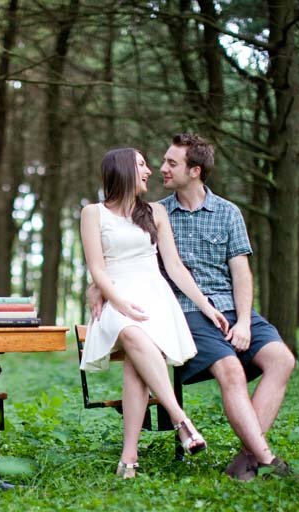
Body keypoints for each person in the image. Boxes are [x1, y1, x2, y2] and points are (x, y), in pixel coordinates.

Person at [89, 133, 296, 480]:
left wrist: (244, 320)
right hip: (184, 311)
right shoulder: (154, 212)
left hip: (229, 308)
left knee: (283, 360)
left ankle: (248, 456)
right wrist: (96, 286)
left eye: (172, 163)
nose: (160, 169)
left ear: (195, 170)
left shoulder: (228, 213)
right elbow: (126, 254)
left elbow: (240, 272)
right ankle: (266, 460)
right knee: (230, 369)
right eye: (159, 162)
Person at [79, 147, 229, 479]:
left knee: (136, 363)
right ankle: (181, 420)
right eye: (142, 165)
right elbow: (97, 269)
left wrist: (207, 305)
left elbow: (174, 268)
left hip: (154, 299)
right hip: (116, 298)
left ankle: (128, 459)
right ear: (122, 170)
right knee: (132, 333)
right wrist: (117, 301)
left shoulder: (155, 213)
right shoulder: (94, 213)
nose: (149, 171)